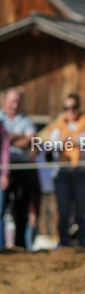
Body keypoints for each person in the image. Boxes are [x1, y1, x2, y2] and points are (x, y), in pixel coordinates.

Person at [50, 94, 85, 248]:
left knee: (80, 212)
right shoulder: (57, 125)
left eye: (73, 107)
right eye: (67, 108)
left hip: (82, 173)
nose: (70, 111)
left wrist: (65, 140)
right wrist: (74, 140)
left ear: (79, 108)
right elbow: (53, 144)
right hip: (63, 174)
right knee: (63, 213)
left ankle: (82, 243)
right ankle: (64, 243)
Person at [0, 87, 40, 249]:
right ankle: (2, 245)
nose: (15, 105)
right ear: (5, 101)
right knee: (1, 209)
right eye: (12, 101)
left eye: (17, 101)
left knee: (22, 209)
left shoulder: (26, 120)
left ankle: (20, 246)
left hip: (23, 168)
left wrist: (7, 139)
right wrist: (19, 138)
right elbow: (20, 141)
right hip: (4, 169)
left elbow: (32, 141)